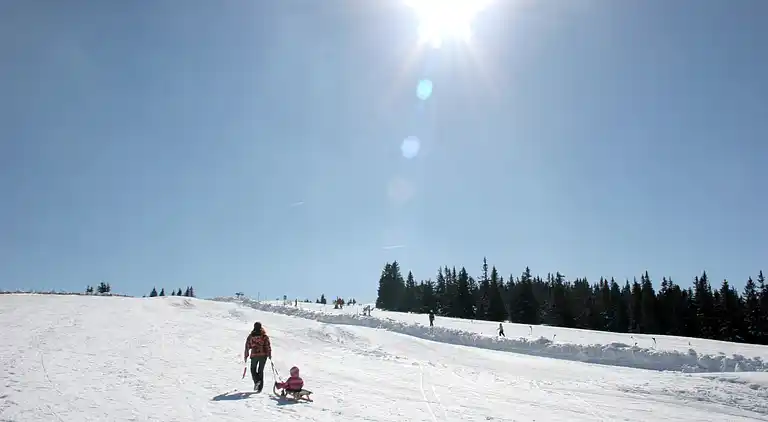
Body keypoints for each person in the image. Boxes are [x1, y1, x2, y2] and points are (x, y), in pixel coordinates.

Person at [244, 322, 271, 391]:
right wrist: (269, 354)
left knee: (253, 369)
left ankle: (256, 381)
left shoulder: (251, 336)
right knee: (260, 370)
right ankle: (260, 388)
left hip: (254, 355)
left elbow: (247, 346)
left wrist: (246, 355)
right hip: (263, 355)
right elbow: (267, 345)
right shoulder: (264, 336)